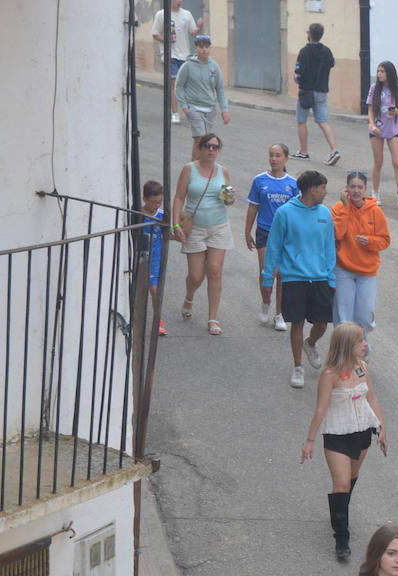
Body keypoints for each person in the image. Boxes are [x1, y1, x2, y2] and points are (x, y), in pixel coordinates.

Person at [302, 323, 388, 560]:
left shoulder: (362, 368)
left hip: (361, 432)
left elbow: (372, 398)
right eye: (361, 341)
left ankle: (339, 513)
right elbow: (320, 410)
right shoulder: (329, 375)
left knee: (350, 480)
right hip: (337, 435)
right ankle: (342, 538)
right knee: (341, 484)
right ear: (348, 345)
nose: (365, 345)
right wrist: (309, 441)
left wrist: (381, 428)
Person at [261, 170, 335, 389]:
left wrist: (332, 278)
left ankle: (310, 343)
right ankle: (297, 366)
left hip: (320, 278)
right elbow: (273, 247)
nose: (325, 192)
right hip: (293, 278)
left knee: (321, 323)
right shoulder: (285, 213)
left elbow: (329, 247)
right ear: (312, 189)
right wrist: (267, 279)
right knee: (297, 323)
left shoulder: (325, 213)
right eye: (322, 188)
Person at [170, 133, 234, 336]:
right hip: (195, 227)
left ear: (219, 149)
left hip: (219, 226)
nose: (211, 150)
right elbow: (179, 198)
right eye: (207, 146)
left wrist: (230, 198)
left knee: (214, 270)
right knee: (197, 276)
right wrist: (175, 224)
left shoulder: (223, 171)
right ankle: (189, 296)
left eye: (215, 146)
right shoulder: (189, 169)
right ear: (200, 148)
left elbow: (228, 200)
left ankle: (213, 318)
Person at [244, 143, 299, 329]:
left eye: (278, 155)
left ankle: (280, 314)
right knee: (267, 272)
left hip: (286, 234)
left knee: (282, 275)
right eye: (271, 155)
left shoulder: (293, 183)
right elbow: (253, 206)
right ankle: (265, 301)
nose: (274, 159)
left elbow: (298, 211)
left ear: (286, 158)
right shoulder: (260, 180)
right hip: (265, 231)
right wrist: (247, 231)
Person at [331, 171, 391, 332]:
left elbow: (385, 240)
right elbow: (337, 234)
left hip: (367, 271)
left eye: (360, 187)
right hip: (343, 269)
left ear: (365, 189)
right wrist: (344, 208)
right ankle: (343, 353)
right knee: (344, 318)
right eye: (352, 187)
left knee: (364, 318)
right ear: (346, 189)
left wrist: (370, 241)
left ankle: (361, 352)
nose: (356, 191)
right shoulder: (338, 208)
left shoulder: (375, 211)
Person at [175, 35, 231, 163]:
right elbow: (179, 86)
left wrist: (224, 110)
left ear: (210, 48)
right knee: (200, 138)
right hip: (193, 108)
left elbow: (220, 89)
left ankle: (200, 165)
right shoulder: (187, 66)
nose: (204, 50)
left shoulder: (214, 67)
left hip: (209, 109)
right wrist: (184, 106)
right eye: (201, 47)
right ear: (196, 48)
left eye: (206, 47)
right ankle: (194, 166)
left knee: (204, 140)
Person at [293, 23, 340, 166]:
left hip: (306, 91)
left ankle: (303, 151)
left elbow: (298, 72)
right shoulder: (327, 51)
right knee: (323, 121)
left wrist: (297, 78)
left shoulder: (304, 51)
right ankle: (334, 150)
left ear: (309, 34)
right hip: (322, 90)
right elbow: (332, 63)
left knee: (301, 121)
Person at [365, 61, 398, 205]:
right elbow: (370, 109)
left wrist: (396, 111)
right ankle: (375, 193)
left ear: (389, 73)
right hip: (376, 129)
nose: (379, 74)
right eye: (378, 71)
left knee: (397, 163)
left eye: (382, 71)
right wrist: (371, 125)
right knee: (378, 162)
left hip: (393, 130)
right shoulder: (374, 88)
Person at [151, 0, 201, 125]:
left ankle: (188, 112)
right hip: (170, 55)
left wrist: (199, 26)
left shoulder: (187, 14)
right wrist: (166, 38)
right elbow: (155, 34)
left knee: (185, 86)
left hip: (185, 55)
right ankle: (175, 113)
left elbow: (194, 33)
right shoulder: (161, 14)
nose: (180, 1)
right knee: (173, 85)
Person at [139, 180, 167, 337]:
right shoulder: (137, 214)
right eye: (153, 202)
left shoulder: (162, 216)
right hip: (140, 256)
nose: (156, 206)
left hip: (156, 258)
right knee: (138, 289)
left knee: (154, 289)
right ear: (144, 199)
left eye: (159, 202)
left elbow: (169, 235)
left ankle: (158, 321)